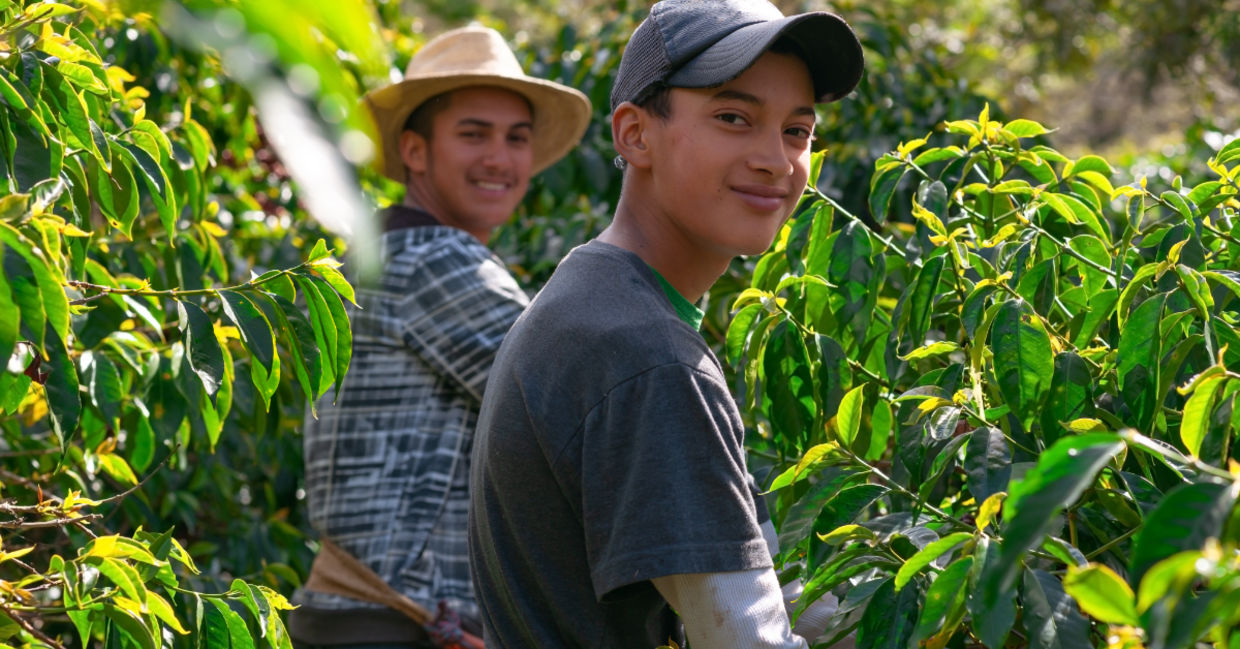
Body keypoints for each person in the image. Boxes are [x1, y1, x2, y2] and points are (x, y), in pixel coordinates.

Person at [467, 0, 865, 647]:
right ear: (635, 134)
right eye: (733, 118)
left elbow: (771, 586)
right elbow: (748, 639)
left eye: (797, 131)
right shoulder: (644, 355)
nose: (775, 159)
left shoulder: (596, 294)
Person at [291, 25, 590, 649]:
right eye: (473, 134)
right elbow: (579, 411)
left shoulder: (376, 255)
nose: (500, 159)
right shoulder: (433, 258)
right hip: (400, 625)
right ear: (415, 152)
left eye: (516, 139)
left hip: (358, 614)